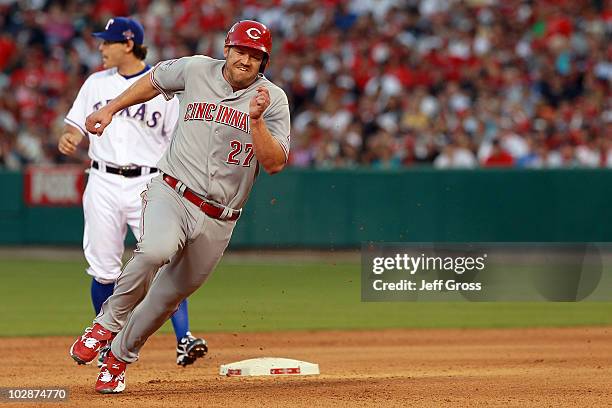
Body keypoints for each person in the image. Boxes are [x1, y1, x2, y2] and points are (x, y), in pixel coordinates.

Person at [69, 19, 291, 394]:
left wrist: (256, 122)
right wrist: (112, 108)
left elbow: (274, 162)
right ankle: (106, 324)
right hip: (172, 191)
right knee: (154, 249)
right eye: (240, 50)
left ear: (264, 61)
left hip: (221, 218)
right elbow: (154, 79)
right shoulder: (195, 69)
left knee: (166, 298)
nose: (245, 59)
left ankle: (117, 359)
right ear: (227, 49)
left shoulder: (273, 99)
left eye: (255, 55)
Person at [60, 17, 207, 368]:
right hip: (103, 182)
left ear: (128, 44)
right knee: (104, 269)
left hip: (149, 183)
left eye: (106, 42)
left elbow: (179, 138)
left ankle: (184, 339)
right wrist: (69, 136)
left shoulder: (163, 85)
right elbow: (74, 125)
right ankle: (105, 340)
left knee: (166, 261)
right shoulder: (95, 83)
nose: (100, 48)